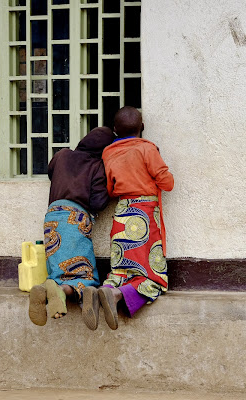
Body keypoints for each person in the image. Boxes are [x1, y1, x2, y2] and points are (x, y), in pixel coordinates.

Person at [28, 127, 114, 330]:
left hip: (52, 215)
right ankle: (61, 291)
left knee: (59, 268)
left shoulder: (63, 155)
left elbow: (52, 171)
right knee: (85, 276)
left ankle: (46, 287)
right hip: (76, 218)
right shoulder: (97, 166)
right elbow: (98, 202)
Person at [97, 106, 174, 330]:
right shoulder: (147, 149)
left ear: (115, 130)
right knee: (154, 277)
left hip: (122, 213)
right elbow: (167, 184)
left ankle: (107, 288)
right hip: (146, 215)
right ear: (142, 127)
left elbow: (110, 189)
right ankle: (117, 296)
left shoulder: (108, 152)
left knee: (121, 269)